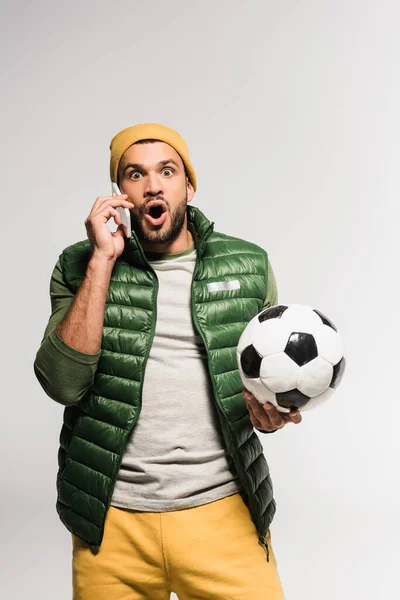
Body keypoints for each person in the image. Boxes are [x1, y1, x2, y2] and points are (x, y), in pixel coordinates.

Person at [33, 123, 302, 600]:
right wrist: (101, 260)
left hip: (224, 516)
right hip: (111, 525)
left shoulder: (248, 266)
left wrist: (270, 414)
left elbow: (263, 383)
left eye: (167, 171)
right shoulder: (78, 265)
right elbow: (62, 384)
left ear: (188, 186)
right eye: (135, 174)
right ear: (119, 194)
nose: (152, 185)